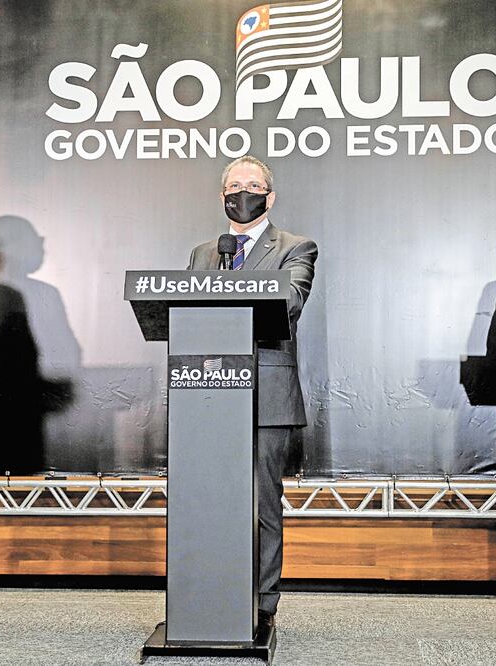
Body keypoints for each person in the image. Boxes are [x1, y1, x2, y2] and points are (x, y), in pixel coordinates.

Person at [187, 155, 317, 629]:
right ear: (222, 196)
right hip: (207, 392)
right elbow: (185, 315)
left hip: (268, 393)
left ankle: (262, 603)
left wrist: (230, 291)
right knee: (210, 497)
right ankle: (209, 590)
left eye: (253, 185)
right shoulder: (203, 254)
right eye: (235, 185)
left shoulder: (296, 247)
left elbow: (290, 300)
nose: (244, 192)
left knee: (263, 502)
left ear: (270, 196)